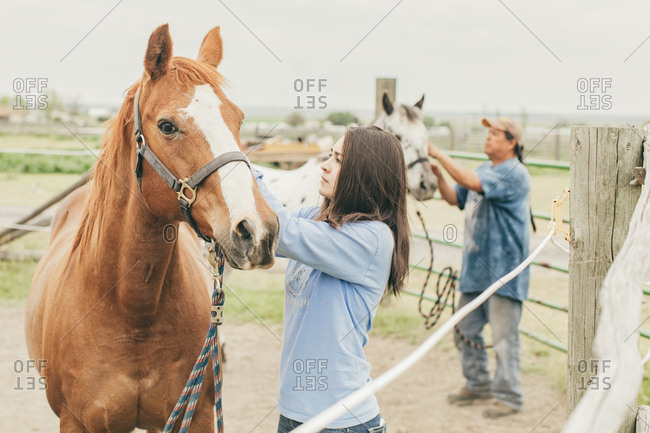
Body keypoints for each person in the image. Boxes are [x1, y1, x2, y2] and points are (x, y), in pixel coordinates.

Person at [251, 125, 410, 432]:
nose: (324, 165)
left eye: (338, 160)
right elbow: (266, 234)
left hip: (341, 422)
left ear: (362, 175)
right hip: (294, 412)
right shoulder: (315, 218)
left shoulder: (373, 238)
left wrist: (242, 168)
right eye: (329, 155)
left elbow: (282, 230)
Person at [427, 117, 531, 419]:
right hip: (476, 269)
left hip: (504, 271)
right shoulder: (485, 171)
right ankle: (478, 384)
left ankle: (509, 396)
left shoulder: (515, 174)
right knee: (465, 329)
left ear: (511, 141)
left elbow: (472, 184)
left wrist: (440, 155)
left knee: (503, 337)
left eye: (495, 133)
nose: (488, 138)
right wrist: (439, 177)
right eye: (487, 132)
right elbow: (454, 198)